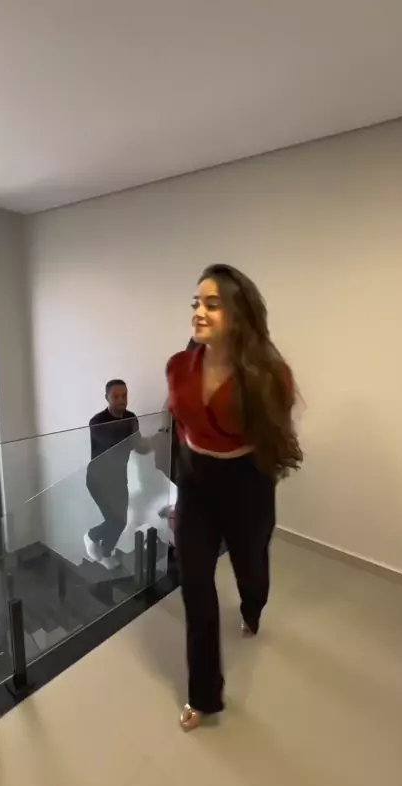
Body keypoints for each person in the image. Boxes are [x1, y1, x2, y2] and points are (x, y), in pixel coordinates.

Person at [166, 264, 302, 730]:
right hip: (196, 484)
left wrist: (261, 480)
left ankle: (252, 607)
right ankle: (203, 696)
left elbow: (273, 438)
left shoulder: (270, 376)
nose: (198, 312)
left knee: (251, 567)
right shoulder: (178, 367)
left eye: (212, 304)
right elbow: (180, 428)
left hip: (246, 483)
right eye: (196, 303)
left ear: (238, 314)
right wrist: (180, 491)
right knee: (196, 587)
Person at [84, 379, 149, 567]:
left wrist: (150, 444)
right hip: (98, 480)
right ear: (107, 397)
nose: (122, 400)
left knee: (121, 521)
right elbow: (114, 445)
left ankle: (105, 553)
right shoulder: (97, 422)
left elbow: (137, 445)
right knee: (115, 520)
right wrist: (137, 441)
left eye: (124, 395)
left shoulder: (131, 418)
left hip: (119, 478)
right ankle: (92, 536)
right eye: (116, 396)